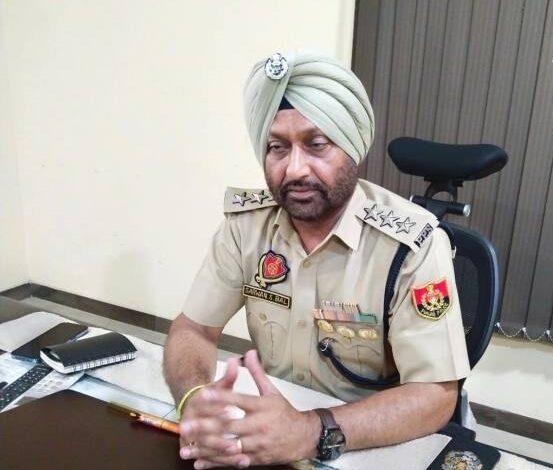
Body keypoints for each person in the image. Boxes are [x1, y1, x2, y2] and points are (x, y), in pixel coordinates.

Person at [163, 51, 470, 469]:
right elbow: (193, 330)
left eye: (317, 144)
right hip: (272, 435)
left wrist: (311, 432)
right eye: (277, 147)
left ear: (353, 149)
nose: (294, 169)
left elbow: (435, 396)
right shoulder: (246, 228)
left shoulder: (412, 245)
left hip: (370, 444)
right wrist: (194, 400)